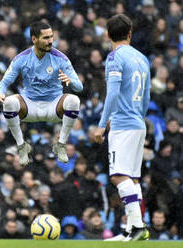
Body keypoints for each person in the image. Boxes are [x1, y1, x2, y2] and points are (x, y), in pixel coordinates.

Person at [94, 14, 151, 241]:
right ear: (130, 33)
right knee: (132, 178)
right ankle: (131, 231)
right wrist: (138, 117)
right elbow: (146, 97)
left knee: (118, 176)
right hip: (138, 122)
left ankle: (137, 226)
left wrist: (101, 125)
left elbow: (113, 93)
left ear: (108, 35)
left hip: (123, 124)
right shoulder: (142, 58)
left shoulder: (115, 58)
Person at [0, 21, 82, 166]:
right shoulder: (22, 58)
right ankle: (22, 146)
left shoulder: (60, 58)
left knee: (74, 100)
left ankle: (60, 144)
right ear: (34, 39)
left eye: (51, 37)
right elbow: (3, 83)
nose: (50, 41)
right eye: (46, 38)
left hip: (54, 106)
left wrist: (70, 81)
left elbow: (79, 87)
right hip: (30, 106)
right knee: (9, 102)